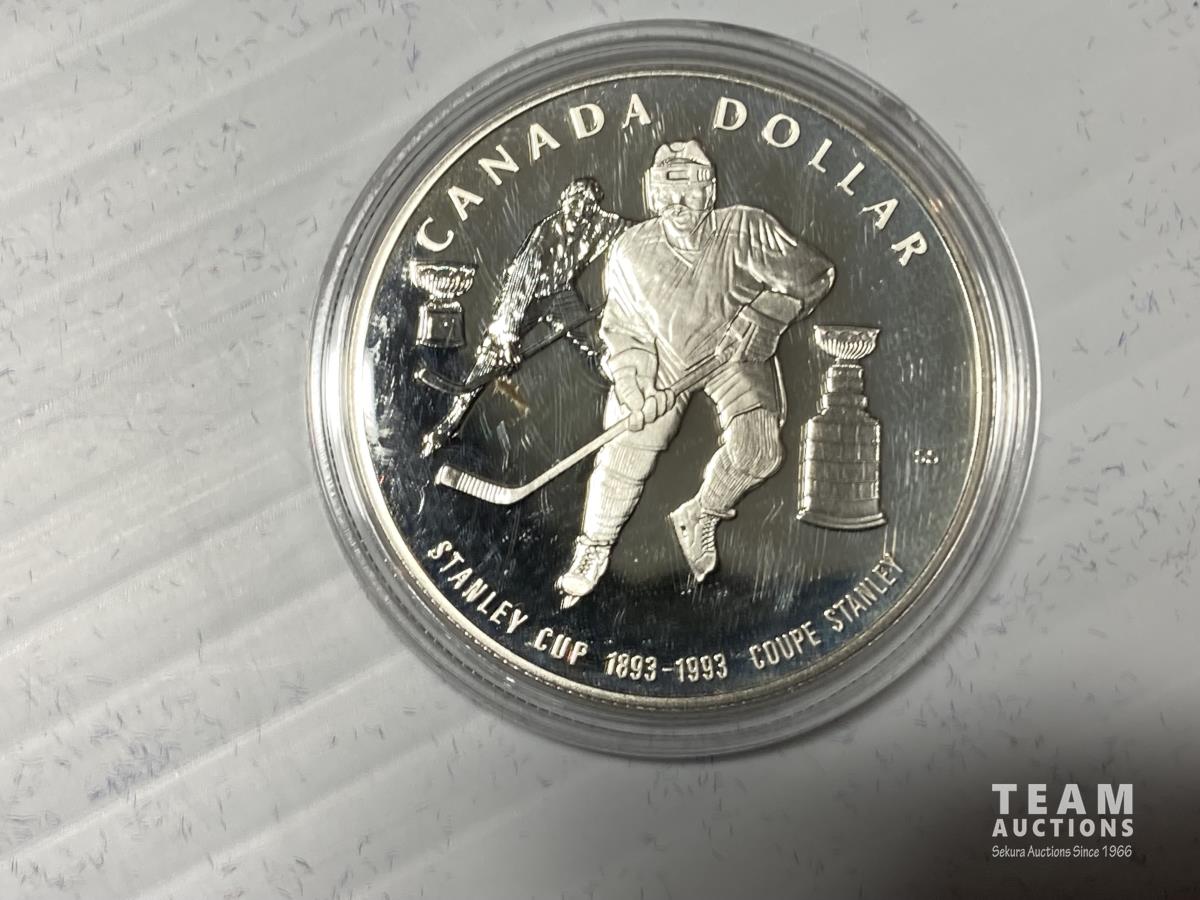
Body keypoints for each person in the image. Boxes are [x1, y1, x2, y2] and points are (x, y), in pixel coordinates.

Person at [557, 140, 836, 607]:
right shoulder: (630, 250)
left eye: (689, 190)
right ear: (651, 193)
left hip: (732, 353)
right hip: (664, 358)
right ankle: (594, 547)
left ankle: (702, 513)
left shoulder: (746, 228)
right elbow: (624, 329)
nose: (678, 202)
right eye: (667, 192)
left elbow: (815, 275)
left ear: (710, 190)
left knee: (760, 450)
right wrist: (634, 384)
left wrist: (767, 315)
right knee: (626, 450)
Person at [420, 178, 627, 457]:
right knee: (493, 357)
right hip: (527, 300)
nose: (580, 211)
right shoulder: (544, 237)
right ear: (565, 200)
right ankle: (448, 426)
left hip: (559, 295)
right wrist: (507, 337)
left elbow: (629, 228)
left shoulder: (598, 225)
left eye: (588, 205)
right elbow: (518, 290)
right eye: (577, 202)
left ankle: (628, 391)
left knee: (599, 340)